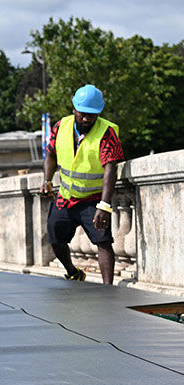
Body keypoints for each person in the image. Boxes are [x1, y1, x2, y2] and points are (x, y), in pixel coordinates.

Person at [40, 84, 123, 284]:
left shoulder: (107, 133)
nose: (87, 119)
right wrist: (47, 181)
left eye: (92, 115)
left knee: (103, 242)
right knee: (56, 240)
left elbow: (110, 169)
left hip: (93, 199)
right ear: (74, 109)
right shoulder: (61, 126)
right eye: (83, 114)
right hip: (66, 197)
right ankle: (73, 272)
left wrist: (104, 205)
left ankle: (107, 290)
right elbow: (51, 154)